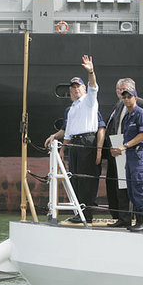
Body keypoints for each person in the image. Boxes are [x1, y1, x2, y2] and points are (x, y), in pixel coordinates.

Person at [44, 55, 100, 223]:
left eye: (78, 86)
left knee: (85, 179)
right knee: (74, 178)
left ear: (83, 88)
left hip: (86, 141)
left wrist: (91, 71)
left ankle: (87, 214)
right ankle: (79, 212)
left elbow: (94, 86)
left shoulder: (89, 101)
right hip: (74, 143)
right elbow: (68, 132)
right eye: (73, 87)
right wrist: (62, 148)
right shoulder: (71, 109)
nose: (75, 90)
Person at [104, 78, 143, 228]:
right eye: (122, 93)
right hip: (125, 153)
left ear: (135, 96)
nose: (125, 97)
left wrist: (124, 146)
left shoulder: (141, 109)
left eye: (128, 95)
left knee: (139, 187)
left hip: (138, 153)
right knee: (129, 188)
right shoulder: (122, 109)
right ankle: (128, 218)